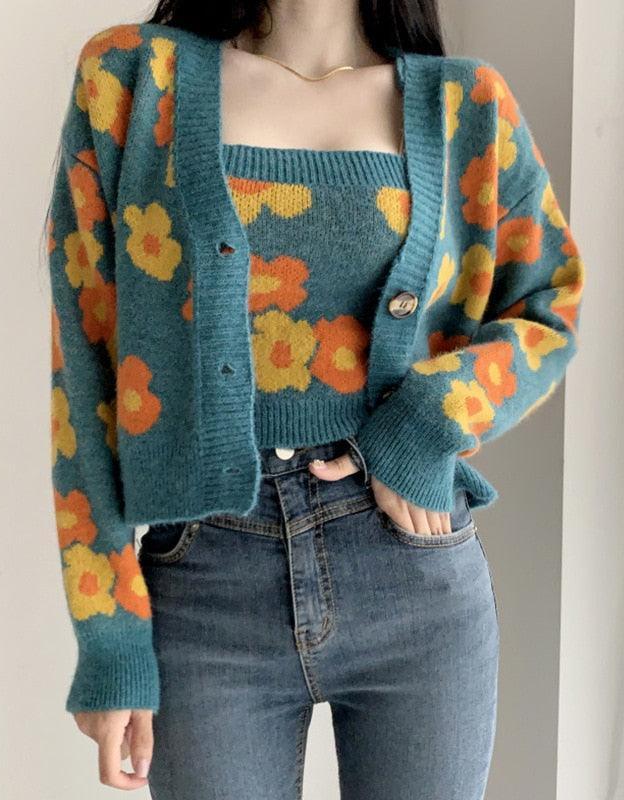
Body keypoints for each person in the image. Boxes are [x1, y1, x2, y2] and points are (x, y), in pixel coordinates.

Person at [45, 0, 586, 795]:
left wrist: (423, 424)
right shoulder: (132, 78)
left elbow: (550, 307)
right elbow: (83, 365)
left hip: (413, 575)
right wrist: (109, 636)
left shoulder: (466, 104)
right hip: (205, 582)